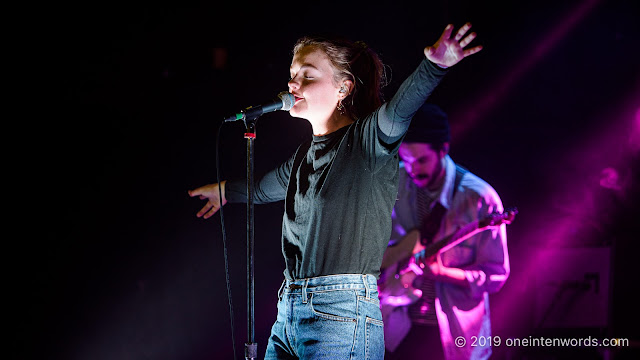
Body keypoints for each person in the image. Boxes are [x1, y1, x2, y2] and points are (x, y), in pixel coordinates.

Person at [188, 23, 482, 359]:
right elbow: (260, 189)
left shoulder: (366, 142)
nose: (292, 83)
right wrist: (225, 191)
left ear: (343, 87)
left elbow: (401, 109)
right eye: (292, 73)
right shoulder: (304, 155)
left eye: (307, 75)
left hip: (341, 314)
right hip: (289, 310)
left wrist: (434, 66)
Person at [379, 103, 511, 360]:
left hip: (454, 333)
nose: (413, 169)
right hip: (397, 328)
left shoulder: (480, 198)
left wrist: (444, 273)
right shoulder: (394, 184)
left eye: (421, 160)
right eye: (406, 161)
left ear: (444, 149)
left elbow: (495, 275)